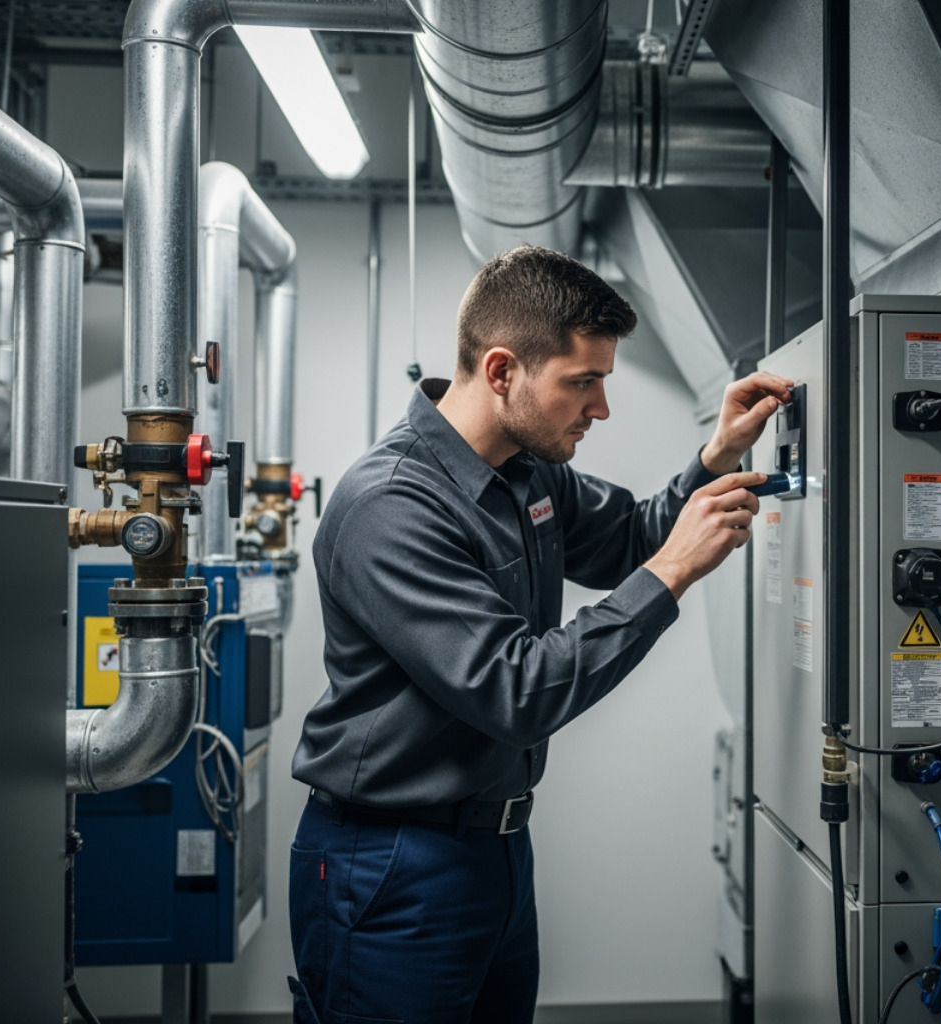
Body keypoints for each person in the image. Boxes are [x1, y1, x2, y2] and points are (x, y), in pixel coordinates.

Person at [286, 244, 793, 1024]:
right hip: (392, 862)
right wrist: (671, 573)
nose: (601, 408)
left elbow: (631, 537)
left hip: (494, 852)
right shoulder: (391, 504)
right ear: (502, 371)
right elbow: (515, 691)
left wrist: (715, 457)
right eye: (582, 382)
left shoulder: (527, 471)